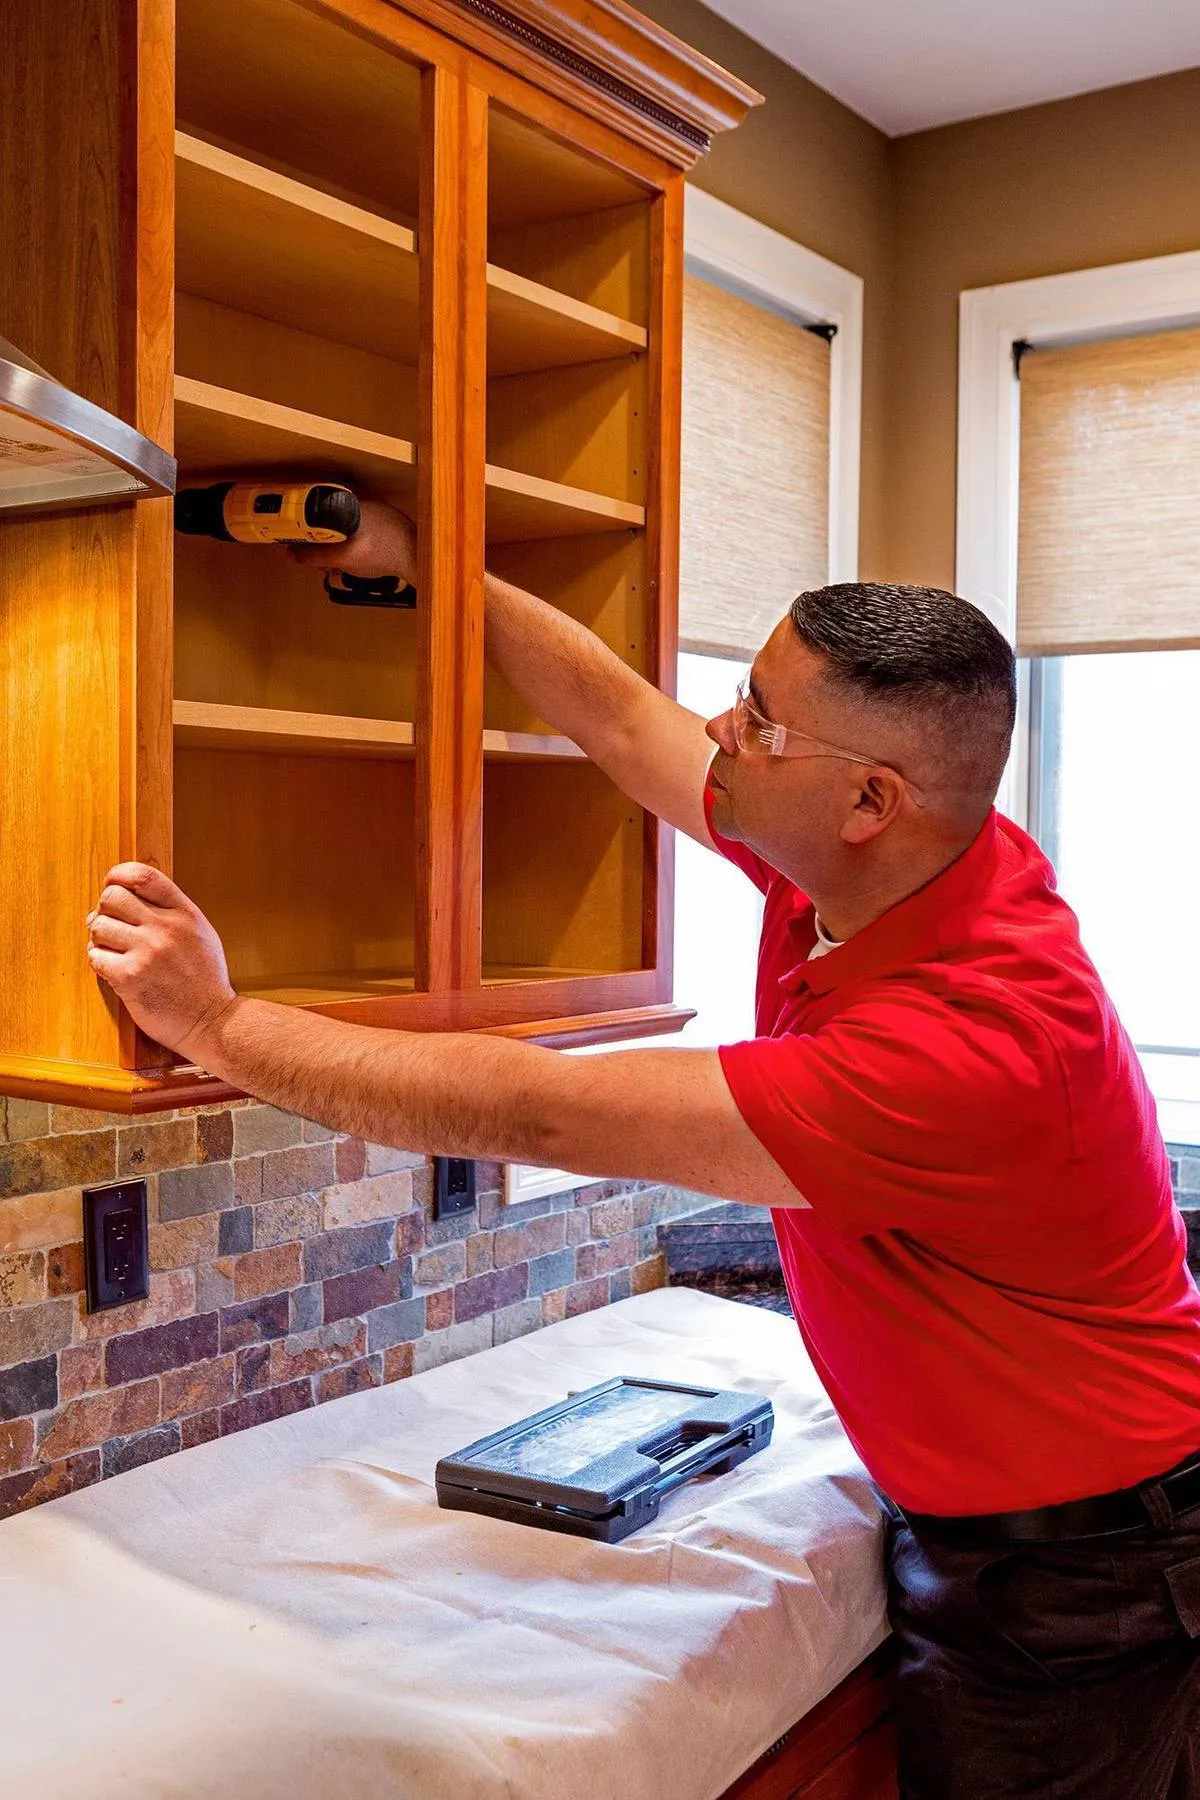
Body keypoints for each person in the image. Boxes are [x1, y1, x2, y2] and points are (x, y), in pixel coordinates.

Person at [87, 503, 1200, 1799]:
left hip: (1093, 1578)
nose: (724, 729)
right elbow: (622, 720)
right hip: (1028, 1532)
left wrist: (218, 1025)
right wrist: (430, 571)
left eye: (760, 719)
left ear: (869, 800)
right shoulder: (882, 869)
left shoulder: (967, 1051)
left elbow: (538, 1113)